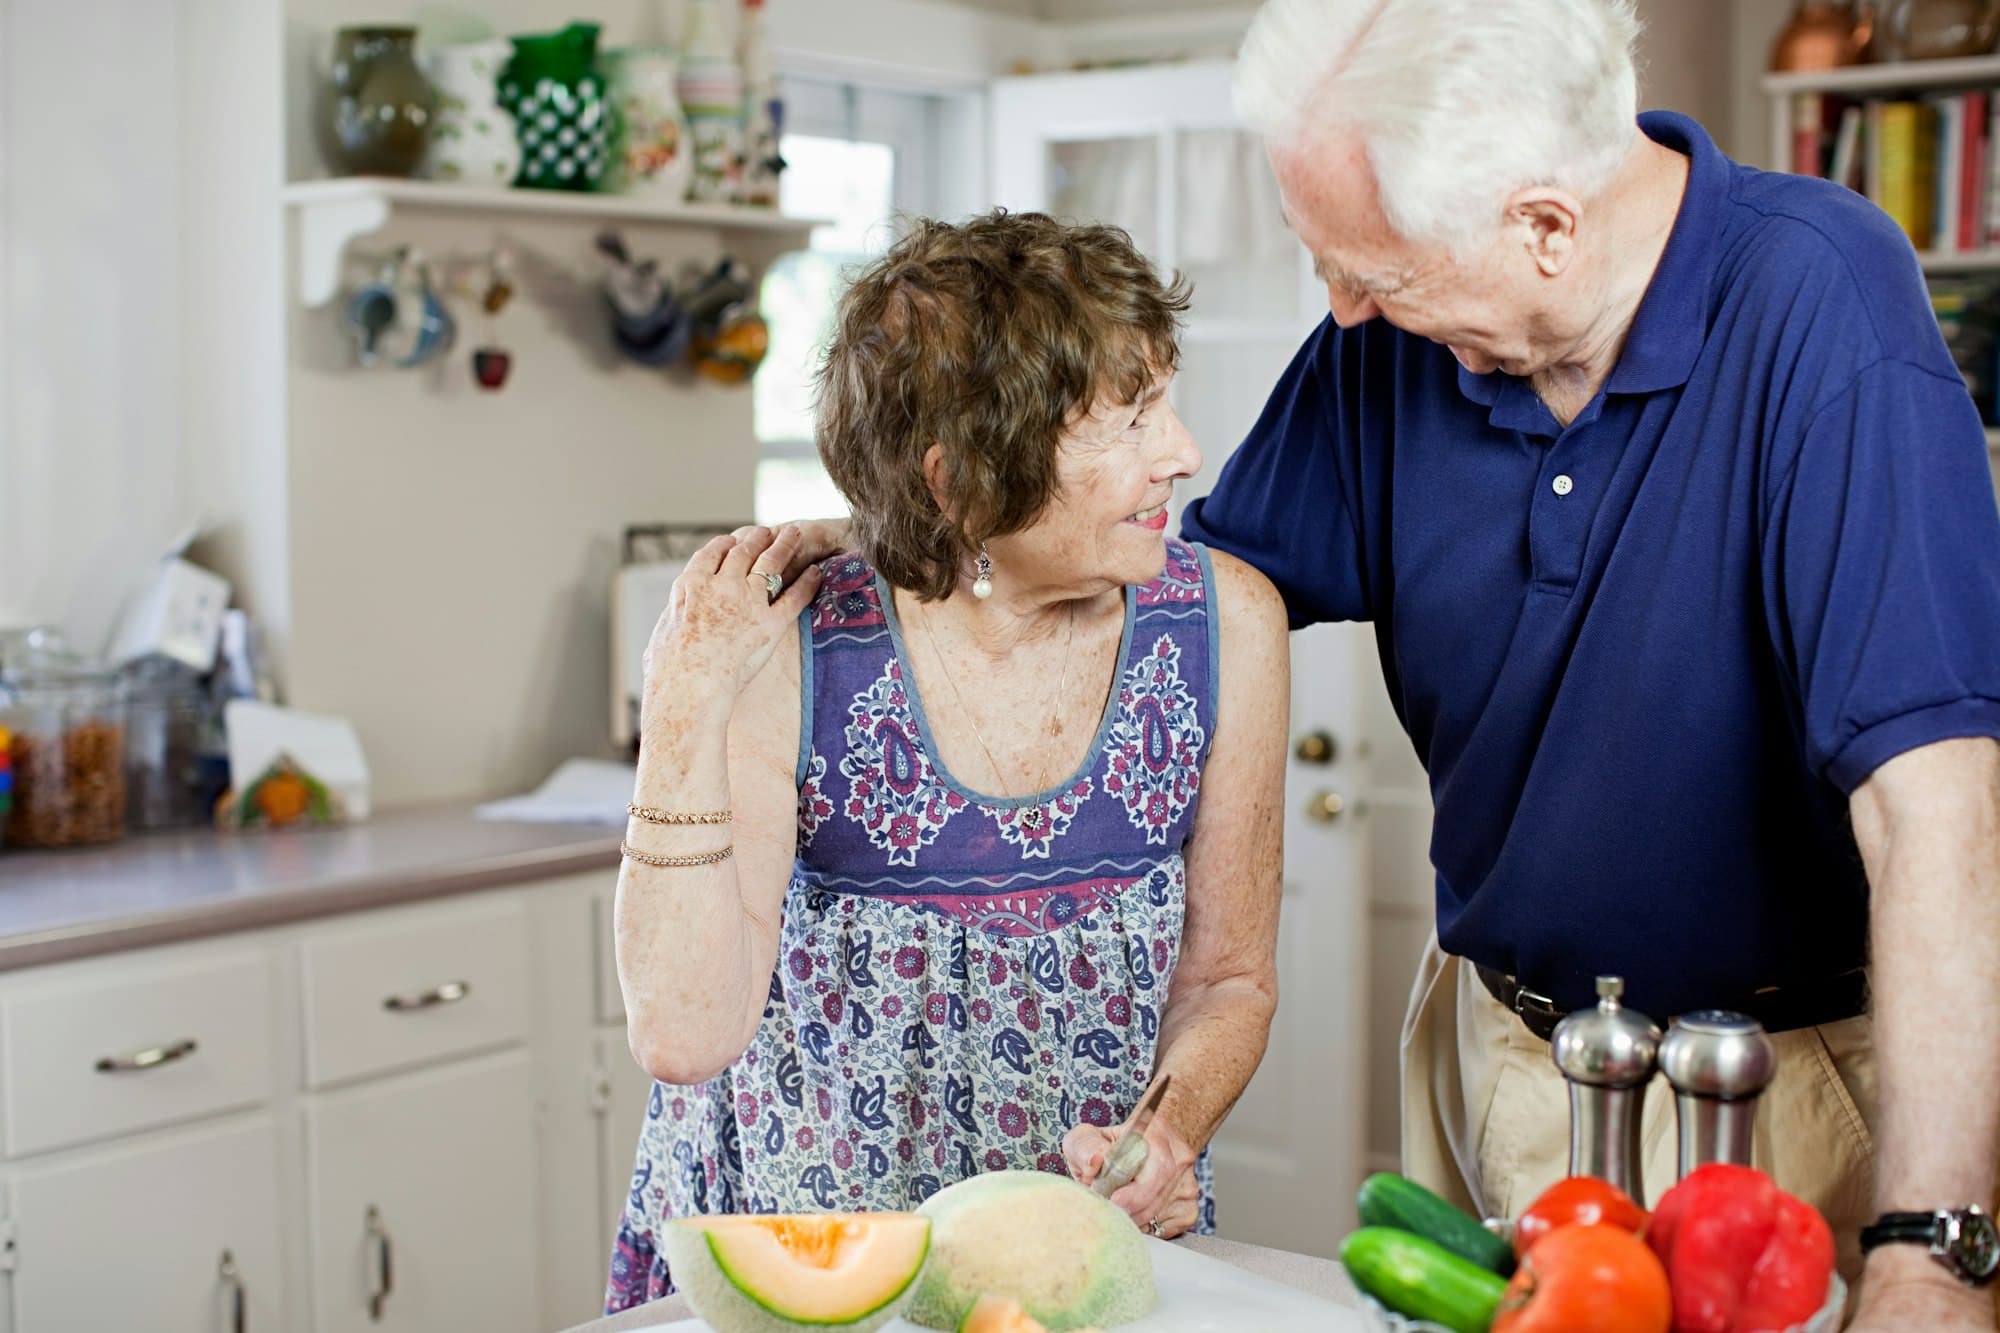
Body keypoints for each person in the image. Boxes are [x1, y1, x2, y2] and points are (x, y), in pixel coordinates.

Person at [1174, 1, 2000, 1327]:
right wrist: (940, 558)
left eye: (1372, 267)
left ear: (1545, 225)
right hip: (1499, 1050)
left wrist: (1933, 1243)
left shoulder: (1822, 299)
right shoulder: (1384, 350)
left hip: (1783, 1090)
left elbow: (1934, 801)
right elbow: (1219, 587)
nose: (1343, 306)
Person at [604, 211, 1289, 1312]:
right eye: (1123, 420)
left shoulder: (1224, 623)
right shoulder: (792, 641)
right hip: (822, 1263)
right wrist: (683, 692)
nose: (1182, 452)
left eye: (1158, 401)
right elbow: (684, 1032)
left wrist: (1167, 1132)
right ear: (960, 478)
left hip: (1074, 1255)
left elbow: (1227, 980)